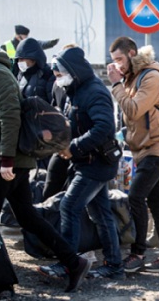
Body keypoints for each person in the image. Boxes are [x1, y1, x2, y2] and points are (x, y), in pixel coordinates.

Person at [0, 30, 90, 292]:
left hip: (6, 162)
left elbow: (10, 117)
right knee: (27, 217)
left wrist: (5, 161)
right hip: (10, 159)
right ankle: (74, 262)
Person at [37, 47, 124, 280]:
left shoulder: (93, 91)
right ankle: (114, 266)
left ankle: (69, 264)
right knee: (101, 215)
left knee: (69, 206)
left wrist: (72, 147)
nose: (57, 80)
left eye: (59, 75)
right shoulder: (74, 90)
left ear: (72, 71)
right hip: (87, 161)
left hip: (96, 163)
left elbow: (104, 127)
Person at [108, 37, 159, 273]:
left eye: (119, 59)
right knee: (156, 201)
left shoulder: (151, 77)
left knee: (136, 197)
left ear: (131, 53)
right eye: (113, 61)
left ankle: (138, 253)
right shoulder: (132, 78)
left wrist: (116, 86)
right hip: (144, 149)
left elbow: (134, 109)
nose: (117, 65)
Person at [14, 37, 55, 104]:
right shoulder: (21, 75)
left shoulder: (47, 74)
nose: (19, 62)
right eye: (18, 59)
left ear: (33, 59)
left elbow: (53, 103)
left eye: (22, 59)